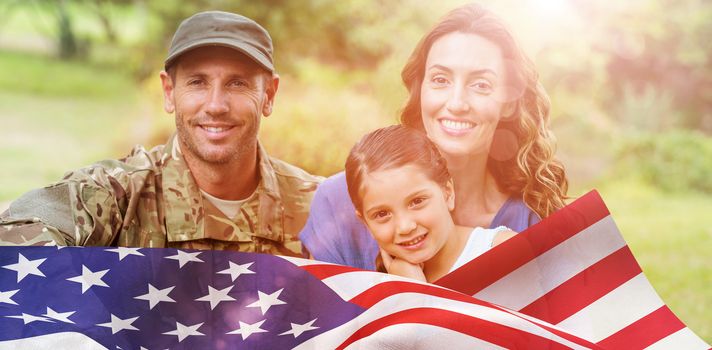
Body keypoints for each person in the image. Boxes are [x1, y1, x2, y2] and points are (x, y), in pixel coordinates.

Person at [0, 11, 322, 257]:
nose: (215, 105)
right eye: (197, 82)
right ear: (169, 92)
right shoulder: (116, 195)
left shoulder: (323, 208)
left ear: (269, 95)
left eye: (237, 83)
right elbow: (16, 238)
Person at [300, 3, 568, 269]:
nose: (457, 103)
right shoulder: (338, 202)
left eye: (481, 85)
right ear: (420, 90)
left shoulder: (535, 219)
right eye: (441, 80)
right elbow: (321, 309)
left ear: (509, 101)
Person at [345, 125, 516, 282]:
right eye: (382, 214)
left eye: (417, 201)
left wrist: (418, 293)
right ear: (365, 222)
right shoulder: (379, 289)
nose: (405, 227)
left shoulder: (504, 252)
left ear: (447, 193)